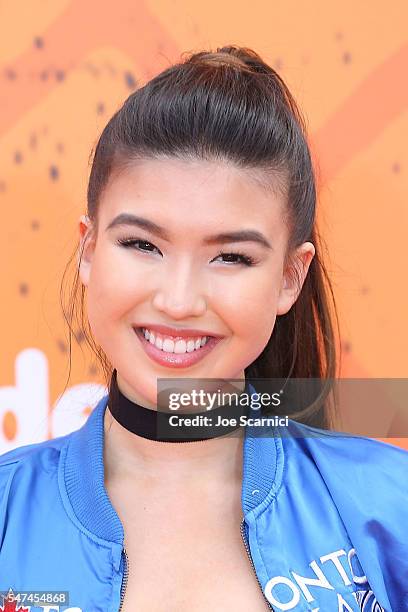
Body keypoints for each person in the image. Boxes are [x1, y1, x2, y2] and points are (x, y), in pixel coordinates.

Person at [0, 45, 407, 612]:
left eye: (231, 257)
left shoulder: (391, 506)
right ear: (88, 249)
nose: (179, 300)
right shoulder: (7, 512)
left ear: (291, 278)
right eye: (142, 245)